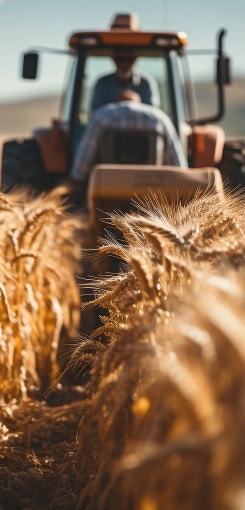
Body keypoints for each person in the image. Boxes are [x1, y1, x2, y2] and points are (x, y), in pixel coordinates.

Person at [71, 92, 188, 185]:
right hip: (152, 188)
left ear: (116, 102)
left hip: (109, 187)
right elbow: (178, 166)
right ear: (140, 102)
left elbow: (81, 168)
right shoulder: (160, 119)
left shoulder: (102, 117)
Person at [91, 49, 161, 111]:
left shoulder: (146, 83)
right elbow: (96, 113)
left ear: (135, 60)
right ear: (113, 59)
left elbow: (153, 114)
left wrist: (135, 106)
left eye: (129, 59)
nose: (125, 64)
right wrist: (117, 105)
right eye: (120, 59)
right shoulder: (103, 83)